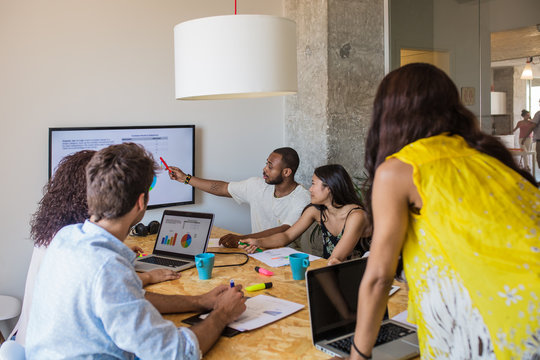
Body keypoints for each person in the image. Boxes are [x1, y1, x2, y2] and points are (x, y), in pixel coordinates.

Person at [347, 63, 539, 360]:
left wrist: (358, 354)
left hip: (508, 322)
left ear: (388, 113)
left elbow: (378, 279)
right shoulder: (485, 156)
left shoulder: (399, 170)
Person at [26, 143, 246, 359]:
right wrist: (222, 313)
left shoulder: (67, 237)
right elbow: (178, 353)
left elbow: (132, 299)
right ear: (141, 202)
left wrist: (201, 301)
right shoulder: (107, 267)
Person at [9, 150, 180, 346]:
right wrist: (150, 277)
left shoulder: (62, 233)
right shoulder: (74, 244)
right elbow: (120, 293)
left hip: (29, 339)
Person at [168, 147, 311, 247]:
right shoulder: (257, 185)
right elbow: (223, 188)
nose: (264, 169)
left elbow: (284, 230)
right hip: (255, 251)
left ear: (286, 172)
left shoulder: (302, 198)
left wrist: (242, 238)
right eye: (266, 164)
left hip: (287, 260)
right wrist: (185, 178)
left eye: (270, 166)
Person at [240, 164, 371, 265]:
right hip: (332, 270)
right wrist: (258, 242)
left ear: (329, 188)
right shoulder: (316, 211)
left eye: (314, 184)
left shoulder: (356, 216)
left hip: (364, 276)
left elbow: (337, 258)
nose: (310, 189)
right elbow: (287, 235)